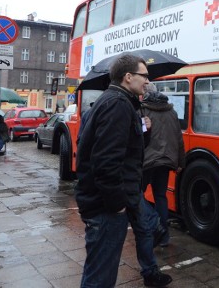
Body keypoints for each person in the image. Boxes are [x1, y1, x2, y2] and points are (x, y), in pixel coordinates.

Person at [74, 54, 172, 288]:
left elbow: (128, 151)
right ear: (128, 77)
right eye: (144, 76)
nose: (148, 81)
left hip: (105, 202)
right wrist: (118, 204)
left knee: (99, 269)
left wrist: (144, 132)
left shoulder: (119, 102)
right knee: (100, 276)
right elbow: (106, 162)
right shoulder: (117, 105)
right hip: (106, 208)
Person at [141, 83, 185, 247]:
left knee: (137, 195)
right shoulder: (172, 111)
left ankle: (153, 225)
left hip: (147, 161)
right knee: (160, 196)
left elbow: (138, 134)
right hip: (166, 161)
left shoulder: (143, 110)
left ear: (145, 94)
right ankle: (164, 237)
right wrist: (181, 162)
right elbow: (179, 138)